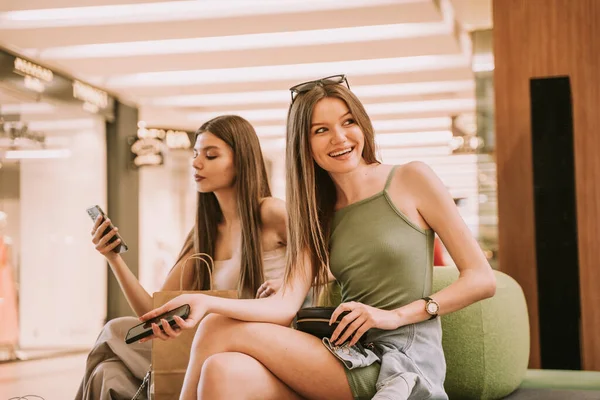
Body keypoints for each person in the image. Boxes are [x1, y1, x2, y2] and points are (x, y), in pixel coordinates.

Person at [141, 75, 496, 400]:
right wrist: (204, 301)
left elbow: (481, 279)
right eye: (321, 130)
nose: (340, 138)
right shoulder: (314, 214)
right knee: (222, 369)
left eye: (348, 122)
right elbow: (283, 307)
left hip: (401, 362)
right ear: (304, 143)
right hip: (345, 353)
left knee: (217, 328)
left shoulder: (411, 179)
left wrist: (396, 316)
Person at [76, 115, 287, 400]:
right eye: (196, 154)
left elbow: (321, 264)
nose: (197, 163)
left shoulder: (271, 213)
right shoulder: (204, 234)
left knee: (115, 332)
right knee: (108, 372)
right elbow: (153, 312)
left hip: (255, 347)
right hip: (202, 344)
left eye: (211, 155)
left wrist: (286, 286)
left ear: (242, 160)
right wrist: (113, 257)